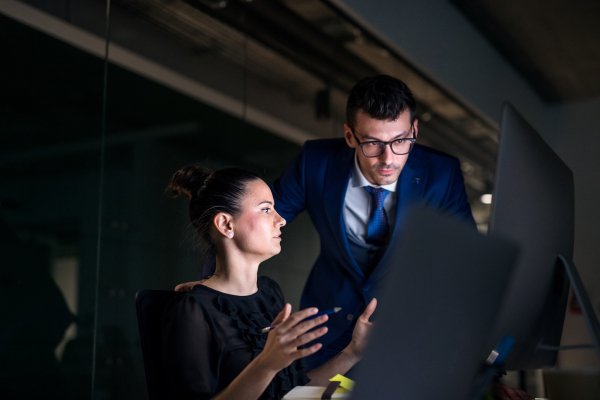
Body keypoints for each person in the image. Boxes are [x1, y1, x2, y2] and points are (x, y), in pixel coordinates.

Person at [175, 76, 532, 399]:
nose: (388, 159)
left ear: (415, 130)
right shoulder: (316, 162)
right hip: (324, 332)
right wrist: (216, 284)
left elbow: (469, 269)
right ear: (350, 136)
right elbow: (251, 220)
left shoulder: (441, 174)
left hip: (404, 337)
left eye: (401, 141)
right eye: (373, 143)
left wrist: (488, 372)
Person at [163, 166, 377, 400]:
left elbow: (292, 394)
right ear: (226, 225)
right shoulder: (193, 309)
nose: (282, 220)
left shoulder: (269, 293)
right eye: (266, 209)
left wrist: (352, 352)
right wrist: (266, 364)